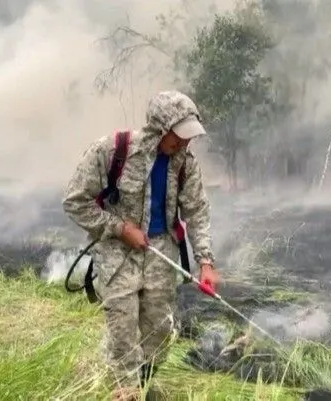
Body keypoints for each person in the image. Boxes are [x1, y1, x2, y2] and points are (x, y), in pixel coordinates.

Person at [62, 90, 220, 400]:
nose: (184, 143)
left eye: (189, 138)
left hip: (162, 252)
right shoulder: (111, 151)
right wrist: (119, 228)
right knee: (123, 328)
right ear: (159, 128)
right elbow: (75, 202)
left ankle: (141, 381)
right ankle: (127, 390)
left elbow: (197, 211)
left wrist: (205, 262)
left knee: (159, 331)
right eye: (179, 136)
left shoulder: (184, 162)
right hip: (117, 253)